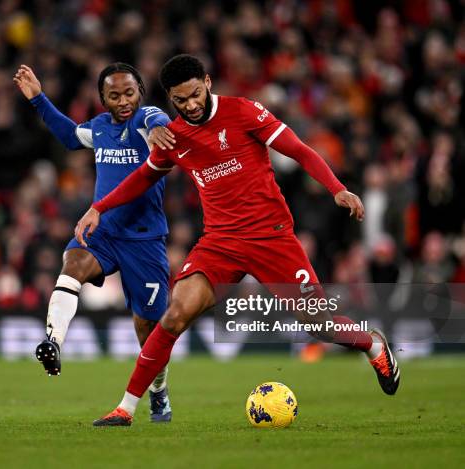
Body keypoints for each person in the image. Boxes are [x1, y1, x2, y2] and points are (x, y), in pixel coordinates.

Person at [75, 55, 401, 426]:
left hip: (271, 238)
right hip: (220, 243)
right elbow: (143, 178)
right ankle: (126, 408)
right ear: (170, 99)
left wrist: (337, 189)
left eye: (196, 94)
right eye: (181, 101)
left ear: (208, 83)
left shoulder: (244, 112)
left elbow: (299, 150)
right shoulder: (175, 137)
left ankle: (372, 344)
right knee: (174, 316)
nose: (191, 105)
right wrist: (98, 208)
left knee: (320, 325)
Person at [14, 63, 176, 422]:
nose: (123, 101)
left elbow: (156, 119)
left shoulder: (146, 120)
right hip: (102, 232)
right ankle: (53, 341)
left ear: (140, 93)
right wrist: (39, 99)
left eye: (129, 93)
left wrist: (159, 126)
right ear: (102, 98)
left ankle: (159, 390)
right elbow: (72, 137)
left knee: (148, 328)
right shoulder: (100, 127)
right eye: (114, 95)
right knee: (72, 265)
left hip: (143, 239)